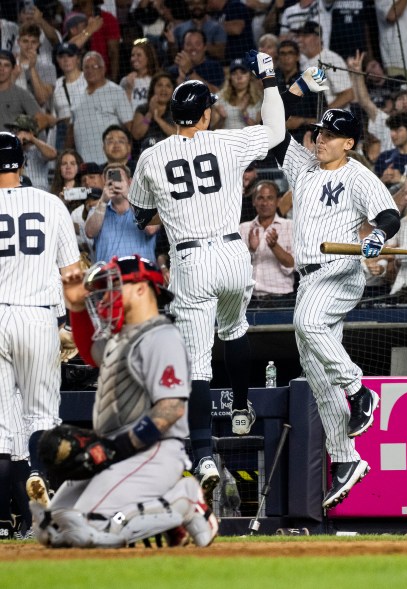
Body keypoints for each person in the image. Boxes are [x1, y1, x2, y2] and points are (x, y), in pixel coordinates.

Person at [127, 51, 287, 497]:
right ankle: (240, 407)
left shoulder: (152, 157)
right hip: (234, 255)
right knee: (234, 329)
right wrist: (269, 77)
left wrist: (169, 212)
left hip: (192, 260)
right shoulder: (227, 141)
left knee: (197, 362)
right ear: (203, 114)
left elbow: (142, 218)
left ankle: (202, 454)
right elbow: (276, 130)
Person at [30, 254, 218, 548]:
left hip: (152, 452)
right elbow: (91, 351)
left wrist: (114, 448)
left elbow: (170, 409)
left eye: (116, 287)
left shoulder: (162, 336)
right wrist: (77, 308)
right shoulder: (123, 335)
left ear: (142, 288)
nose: (108, 296)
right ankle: (165, 519)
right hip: (116, 453)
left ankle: (183, 500)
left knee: (88, 529)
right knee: (51, 529)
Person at [269, 97, 400, 508]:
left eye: (329, 135)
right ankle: (346, 458)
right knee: (316, 371)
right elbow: (274, 131)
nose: (320, 139)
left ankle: (361, 390)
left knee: (307, 324)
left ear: (348, 143)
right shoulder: (304, 166)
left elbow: (389, 215)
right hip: (307, 278)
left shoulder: (358, 175)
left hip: (340, 271)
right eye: (319, 132)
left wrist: (378, 235)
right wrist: (273, 83)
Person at [0, 132, 80, 539]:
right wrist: (71, 323)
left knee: (0, 424)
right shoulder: (50, 204)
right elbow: (72, 272)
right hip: (37, 317)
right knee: (42, 415)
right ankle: (36, 477)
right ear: (21, 164)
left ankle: (1, 519)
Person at [85, 163, 159, 263]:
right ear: (104, 185)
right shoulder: (97, 209)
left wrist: (130, 196)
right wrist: (102, 201)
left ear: (130, 182)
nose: (115, 185)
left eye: (119, 180)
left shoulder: (149, 207)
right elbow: (90, 233)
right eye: (110, 182)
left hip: (141, 274)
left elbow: (151, 229)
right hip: (108, 275)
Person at [68, 51, 133, 165]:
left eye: (94, 66)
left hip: (109, 162)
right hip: (84, 164)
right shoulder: (76, 94)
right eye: (86, 67)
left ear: (103, 69)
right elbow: (71, 129)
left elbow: (129, 127)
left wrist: (127, 158)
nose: (90, 70)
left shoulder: (116, 92)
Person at [239, 180, 295, 302]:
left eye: (270, 198)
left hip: (281, 299)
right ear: (254, 201)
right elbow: (235, 268)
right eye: (260, 198)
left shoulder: (290, 227)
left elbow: (292, 265)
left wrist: (274, 246)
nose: (265, 203)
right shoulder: (243, 228)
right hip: (249, 299)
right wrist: (251, 250)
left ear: (278, 201)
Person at [295, 21, 354, 111]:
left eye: (305, 36)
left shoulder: (331, 59)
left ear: (318, 38)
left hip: (334, 120)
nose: (300, 40)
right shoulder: (302, 62)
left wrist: (322, 115)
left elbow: (348, 94)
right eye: (299, 36)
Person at [5, 114, 57, 192]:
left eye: (17, 130)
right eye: (13, 131)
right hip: (18, 195)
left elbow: (53, 154)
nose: (14, 134)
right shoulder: (10, 150)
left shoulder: (38, 149)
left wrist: (32, 138)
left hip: (39, 194)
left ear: (28, 132)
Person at [52, 42, 87, 151]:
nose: (66, 60)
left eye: (70, 55)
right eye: (62, 56)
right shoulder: (55, 85)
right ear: (57, 60)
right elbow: (54, 116)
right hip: (63, 133)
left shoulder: (88, 79)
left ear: (78, 58)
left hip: (85, 129)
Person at [168, 28, 224, 93]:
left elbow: (216, 94)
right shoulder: (173, 70)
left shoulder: (214, 67)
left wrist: (189, 72)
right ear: (183, 47)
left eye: (197, 44)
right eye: (188, 44)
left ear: (205, 47)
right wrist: (181, 78)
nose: (193, 48)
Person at [213, 58, 262, 129]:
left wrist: (244, 114)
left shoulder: (258, 99)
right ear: (230, 77)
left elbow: (259, 131)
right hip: (226, 139)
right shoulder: (219, 98)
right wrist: (222, 119)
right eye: (234, 73)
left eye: (243, 72)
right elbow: (212, 130)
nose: (239, 77)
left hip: (248, 139)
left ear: (250, 76)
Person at [131, 72, 176, 147]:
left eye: (168, 86)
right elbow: (136, 135)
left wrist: (158, 119)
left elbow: (179, 136)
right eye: (159, 85)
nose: (163, 89)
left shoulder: (177, 110)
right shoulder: (142, 108)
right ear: (153, 89)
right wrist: (149, 114)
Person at [119, 37, 161, 112]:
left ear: (148, 58)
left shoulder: (156, 80)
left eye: (139, 55)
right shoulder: (125, 81)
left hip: (148, 121)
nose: (134, 59)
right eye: (132, 55)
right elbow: (120, 109)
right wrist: (128, 88)